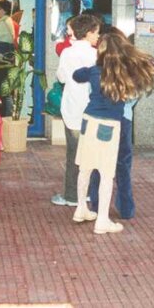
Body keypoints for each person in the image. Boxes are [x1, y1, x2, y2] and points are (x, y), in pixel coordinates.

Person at [71, 32, 154, 234]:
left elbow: (76, 75)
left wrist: (89, 69)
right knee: (106, 174)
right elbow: (152, 62)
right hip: (109, 126)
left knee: (86, 168)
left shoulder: (94, 71)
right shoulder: (126, 72)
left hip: (88, 122)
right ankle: (102, 220)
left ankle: (81, 208)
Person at [52, 14, 101, 208]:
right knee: (93, 153)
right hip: (93, 109)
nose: (98, 36)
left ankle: (72, 195)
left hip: (72, 109)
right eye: (96, 32)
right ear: (88, 33)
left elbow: (62, 77)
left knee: (73, 154)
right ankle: (90, 193)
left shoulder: (67, 53)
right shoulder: (96, 54)